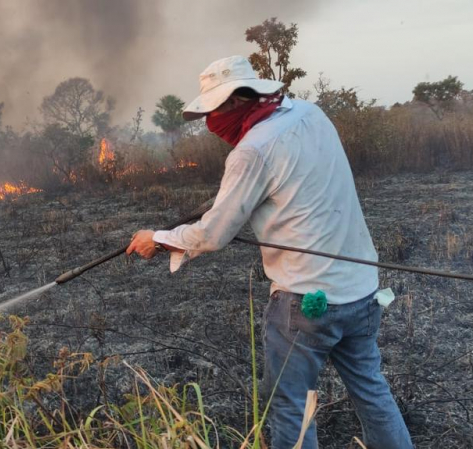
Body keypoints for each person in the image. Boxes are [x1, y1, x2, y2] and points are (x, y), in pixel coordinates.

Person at [125, 55, 413, 448]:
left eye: (214, 110)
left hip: (307, 301)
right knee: (371, 391)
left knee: (292, 406)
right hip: (362, 290)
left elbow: (213, 234)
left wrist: (158, 238)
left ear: (232, 102)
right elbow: (293, 177)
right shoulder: (312, 114)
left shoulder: (251, 151)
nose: (212, 122)